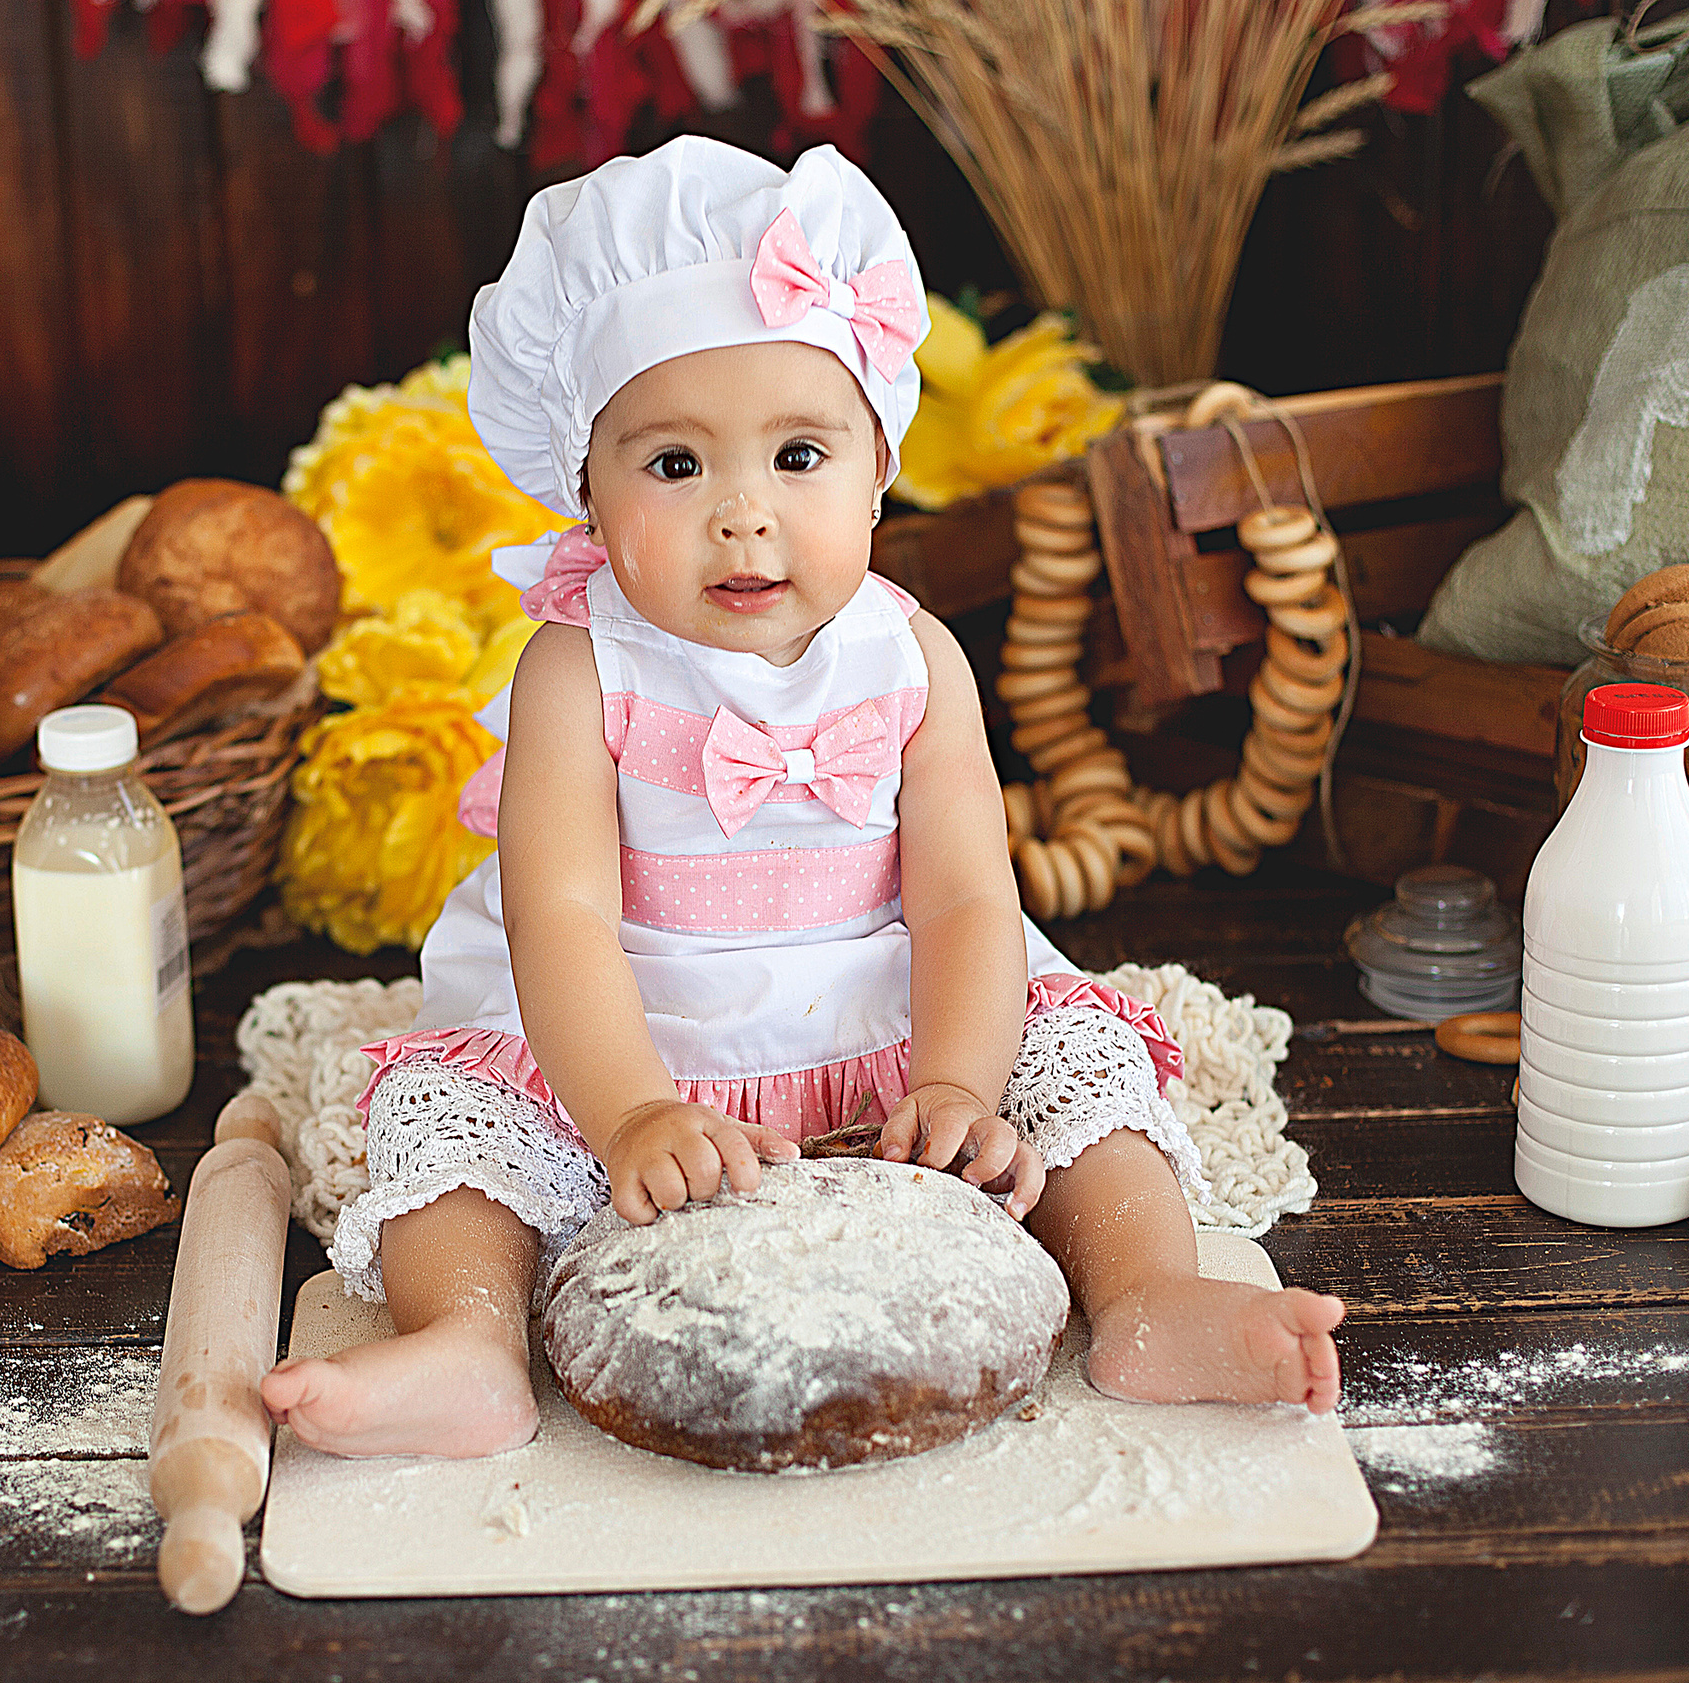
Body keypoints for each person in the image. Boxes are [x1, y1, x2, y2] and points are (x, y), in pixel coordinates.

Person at [262, 138, 1343, 1458]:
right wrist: (630, 1111)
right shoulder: (577, 669)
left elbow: (960, 896)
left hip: (884, 1008)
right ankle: (469, 1346)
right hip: (630, 1022)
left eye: (798, 455)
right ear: (584, 489)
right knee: (447, 1125)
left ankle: (1150, 1300)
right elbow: (557, 919)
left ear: (879, 462)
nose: (742, 516)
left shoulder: (912, 656)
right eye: (674, 467)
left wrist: (957, 1078)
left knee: (1083, 1064)